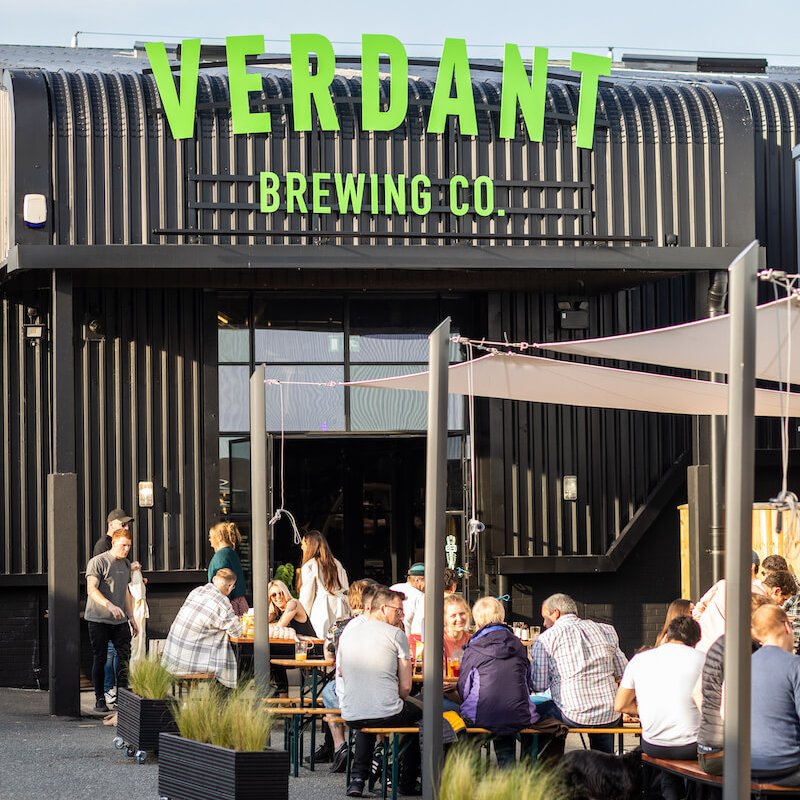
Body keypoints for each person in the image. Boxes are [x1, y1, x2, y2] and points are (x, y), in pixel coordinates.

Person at [338, 587, 421, 798]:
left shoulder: (349, 632)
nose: (400, 616)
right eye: (398, 611)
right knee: (425, 714)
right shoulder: (396, 634)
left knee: (369, 717)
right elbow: (406, 688)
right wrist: (391, 698)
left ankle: (358, 779)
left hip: (351, 713)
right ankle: (406, 781)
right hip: (386, 713)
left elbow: (342, 672)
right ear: (383, 608)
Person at [615, 616, 705, 800]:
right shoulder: (703, 659)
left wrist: (645, 709)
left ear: (667, 636)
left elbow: (620, 704)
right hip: (692, 745)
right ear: (695, 641)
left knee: (668, 760)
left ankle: (671, 795)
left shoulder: (639, 660)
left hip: (653, 744)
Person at [531, 592, 627, 753]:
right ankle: (604, 766)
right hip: (610, 713)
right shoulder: (607, 630)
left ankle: (552, 768)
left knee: (535, 712)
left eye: (545, 617)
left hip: (572, 714)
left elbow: (539, 685)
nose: (544, 623)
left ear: (556, 613)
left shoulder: (546, 639)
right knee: (602, 724)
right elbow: (623, 671)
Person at [696, 594, 773, 776]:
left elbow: (696, 693)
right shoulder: (747, 648)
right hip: (727, 754)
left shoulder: (721, 643)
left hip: (708, 751)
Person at [458, 597, 540, 766]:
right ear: (502, 618)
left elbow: (464, 688)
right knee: (505, 717)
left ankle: (471, 774)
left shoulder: (473, 647)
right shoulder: (518, 645)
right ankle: (509, 772)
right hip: (518, 713)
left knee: (490, 716)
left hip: (481, 715)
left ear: (478, 621)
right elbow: (528, 681)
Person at [319, 578, 377, 771]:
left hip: (348, 693)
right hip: (377, 693)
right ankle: (376, 747)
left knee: (327, 691)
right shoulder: (383, 626)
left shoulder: (339, 625)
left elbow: (327, 656)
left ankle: (339, 745)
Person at [84, 528, 138, 713]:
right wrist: (110, 605)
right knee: (100, 658)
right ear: (114, 543)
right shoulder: (98, 562)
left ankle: (122, 700)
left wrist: (131, 617)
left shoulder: (126, 564)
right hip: (98, 619)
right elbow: (91, 590)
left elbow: (124, 592)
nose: (126, 549)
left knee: (124, 657)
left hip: (119, 620)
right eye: (123, 545)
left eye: (129, 546)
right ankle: (100, 698)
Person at [161, 568, 243, 689]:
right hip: (189, 663)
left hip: (172, 658)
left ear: (214, 580)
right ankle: (221, 701)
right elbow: (237, 632)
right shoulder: (222, 602)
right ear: (230, 587)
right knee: (231, 666)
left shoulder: (197, 591)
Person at [750, 604, 800, 785]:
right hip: (787, 767)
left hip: (746, 765)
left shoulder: (741, 665)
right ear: (787, 627)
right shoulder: (795, 665)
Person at [693, 552, 767, 653]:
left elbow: (698, 609)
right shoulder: (759, 592)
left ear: (752, 566)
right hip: (734, 650)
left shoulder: (722, 585)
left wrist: (705, 625)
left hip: (706, 646)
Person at [268, 578, 317, 698]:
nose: (278, 597)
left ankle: (281, 694)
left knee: (271, 651)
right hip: (298, 647)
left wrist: (271, 625)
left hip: (310, 648)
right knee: (270, 650)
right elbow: (258, 625)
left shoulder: (293, 603)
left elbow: (278, 628)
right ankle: (280, 693)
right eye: (274, 595)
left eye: (281, 593)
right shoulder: (277, 611)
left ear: (286, 592)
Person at [297, 530, 350, 639]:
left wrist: (302, 618)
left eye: (303, 544)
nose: (302, 547)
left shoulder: (310, 565)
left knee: (323, 643)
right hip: (341, 608)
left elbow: (307, 596)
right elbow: (346, 589)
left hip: (323, 610)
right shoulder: (336, 563)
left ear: (310, 545)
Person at [207, 521, 249, 616]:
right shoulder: (231, 553)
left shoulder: (220, 557)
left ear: (219, 537)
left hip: (229, 604)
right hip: (239, 601)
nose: (210, 540)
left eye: (211, 536)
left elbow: (223, 585)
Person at [390, 563, 425, 639]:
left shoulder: (393, 588)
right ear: (417, 580)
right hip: (406, 641)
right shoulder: (420, 596)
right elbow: (419, 625)